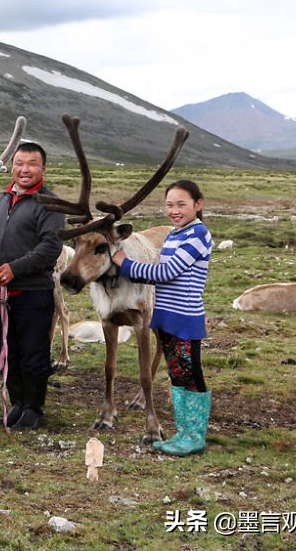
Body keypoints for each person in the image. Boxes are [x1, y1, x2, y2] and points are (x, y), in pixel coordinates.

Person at [0, 141, 64, 431]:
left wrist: (15, 269)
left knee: (33, 351)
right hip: (0, 293)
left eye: (32, 163)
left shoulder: (50, 204)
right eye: (19, 163)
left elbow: (50, 246)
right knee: (3, 350)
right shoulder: (2, 200)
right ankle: (18, 403)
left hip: (32, 291)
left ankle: (34, 408)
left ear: (43, 168)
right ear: (13, 167)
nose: (24, 169)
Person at [111, 179, 213, 456]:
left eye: (182, 204)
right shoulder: (177, 234)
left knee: (189, 375)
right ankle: (184, 432)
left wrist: (124, 264)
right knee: (178, 375)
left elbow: (165, 273)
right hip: (168, 315)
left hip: (184, 317)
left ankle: (194, 436)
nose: (174, 210)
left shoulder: (198, 234)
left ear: (198, 204)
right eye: (169, 205)